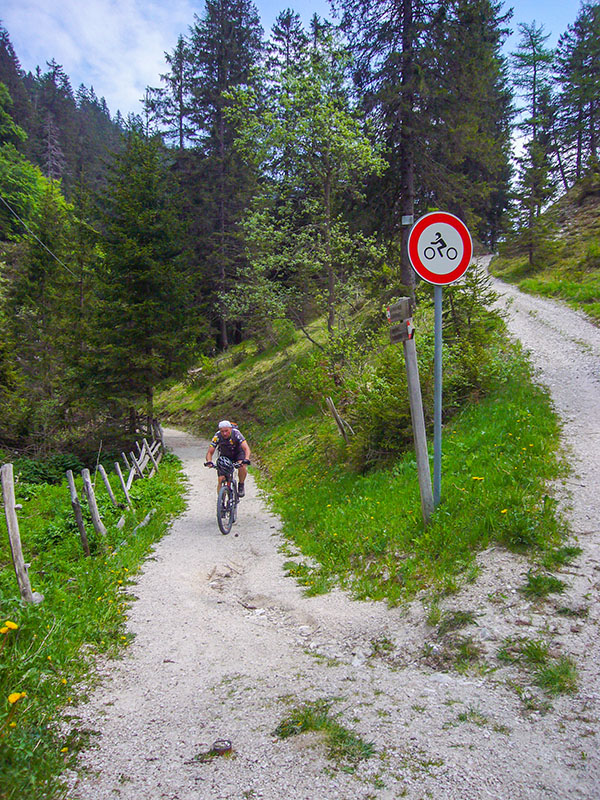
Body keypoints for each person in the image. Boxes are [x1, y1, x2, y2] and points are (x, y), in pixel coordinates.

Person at [204, 420, 251, 497]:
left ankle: (241, 485)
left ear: (231, 429)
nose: (224, 433)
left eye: (226, 431)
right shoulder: (217, 436)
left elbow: (246, 448)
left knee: (242, 466)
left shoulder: (236, 434)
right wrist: (209, 461)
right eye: (222, 431)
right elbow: (210, 451)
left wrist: (247, 459)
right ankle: (221, 500)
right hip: (225, 455)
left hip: (238, 453)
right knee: (220, 479)